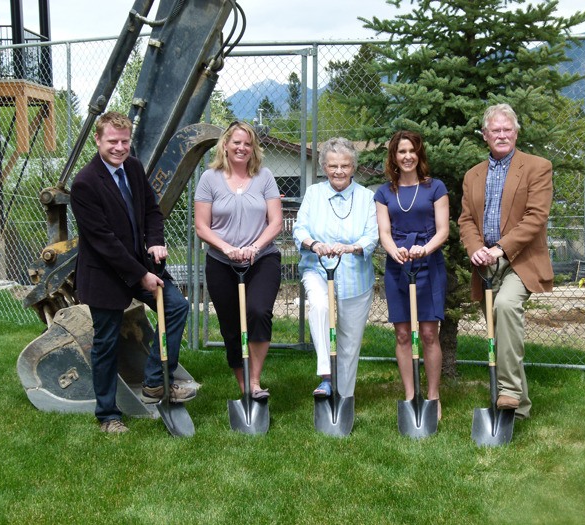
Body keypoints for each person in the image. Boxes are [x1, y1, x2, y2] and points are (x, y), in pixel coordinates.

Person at [70, 111, 194, 434]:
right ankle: (108, 415)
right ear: (98, 140)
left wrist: (155, 242)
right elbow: (104, 243)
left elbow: (152, 211)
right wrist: (141, 275)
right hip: (105, 274)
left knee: (177, 307)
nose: (120, 148)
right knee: (107, 343)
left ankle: (155, 381)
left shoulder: (134, 168)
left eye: (125, 141)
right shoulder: (84, 183)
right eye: (113, 141)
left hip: (141, 263)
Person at [458, 103, 554, 420]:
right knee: (499, 334)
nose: (502, 135)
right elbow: (467, 220)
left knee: (506, 307)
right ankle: (519, 407)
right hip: (486, 264)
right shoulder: (473, 175)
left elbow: (536, 218)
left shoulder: (537, 167)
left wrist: (500, 248)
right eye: (495, 130)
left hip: (520, 261)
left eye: (507, 129)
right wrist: (475, 249)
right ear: (485, 135)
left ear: (516, 132)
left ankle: (508, 392)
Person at [194, 121, 282, 399]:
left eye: (247, 143)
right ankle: (244, 387)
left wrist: (255, 247)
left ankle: (255, 382)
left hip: (262, 259)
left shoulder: (264, 176)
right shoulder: (209, 179)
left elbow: (276, 222)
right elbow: (202, 226)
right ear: (226, 145)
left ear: (253, 148)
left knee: (258, 312)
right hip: (222, 262)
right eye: (237, 143)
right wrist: (227, 248)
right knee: (231, 327)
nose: (242, 148)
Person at [293, 137, 378, 398]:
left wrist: (351, 247)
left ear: (353, 167)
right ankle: (326, 378)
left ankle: (345, 396)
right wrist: (314, 244)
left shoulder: (366, 197)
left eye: (344, 165)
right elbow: (300, 228)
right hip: (317, 269)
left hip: (355, 275)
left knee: (349, 341)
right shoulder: (314, 193)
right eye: (332, 166)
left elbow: (372, 235)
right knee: (320, 306)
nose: (338, 171)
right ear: (324, 167)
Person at [374, 130, 449, 420]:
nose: (407, 156)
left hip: (429, 263)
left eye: (411, 151)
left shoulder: (435, 188)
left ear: (419, 154)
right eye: (401, 151)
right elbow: (384, 232)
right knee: (403, 333)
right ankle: (409, 395)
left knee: (429, 333)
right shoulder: (384, 192)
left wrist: (424, 249)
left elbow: (443, 230)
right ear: (394, 156)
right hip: (398, 265)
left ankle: (433, 396)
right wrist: (395, 251)